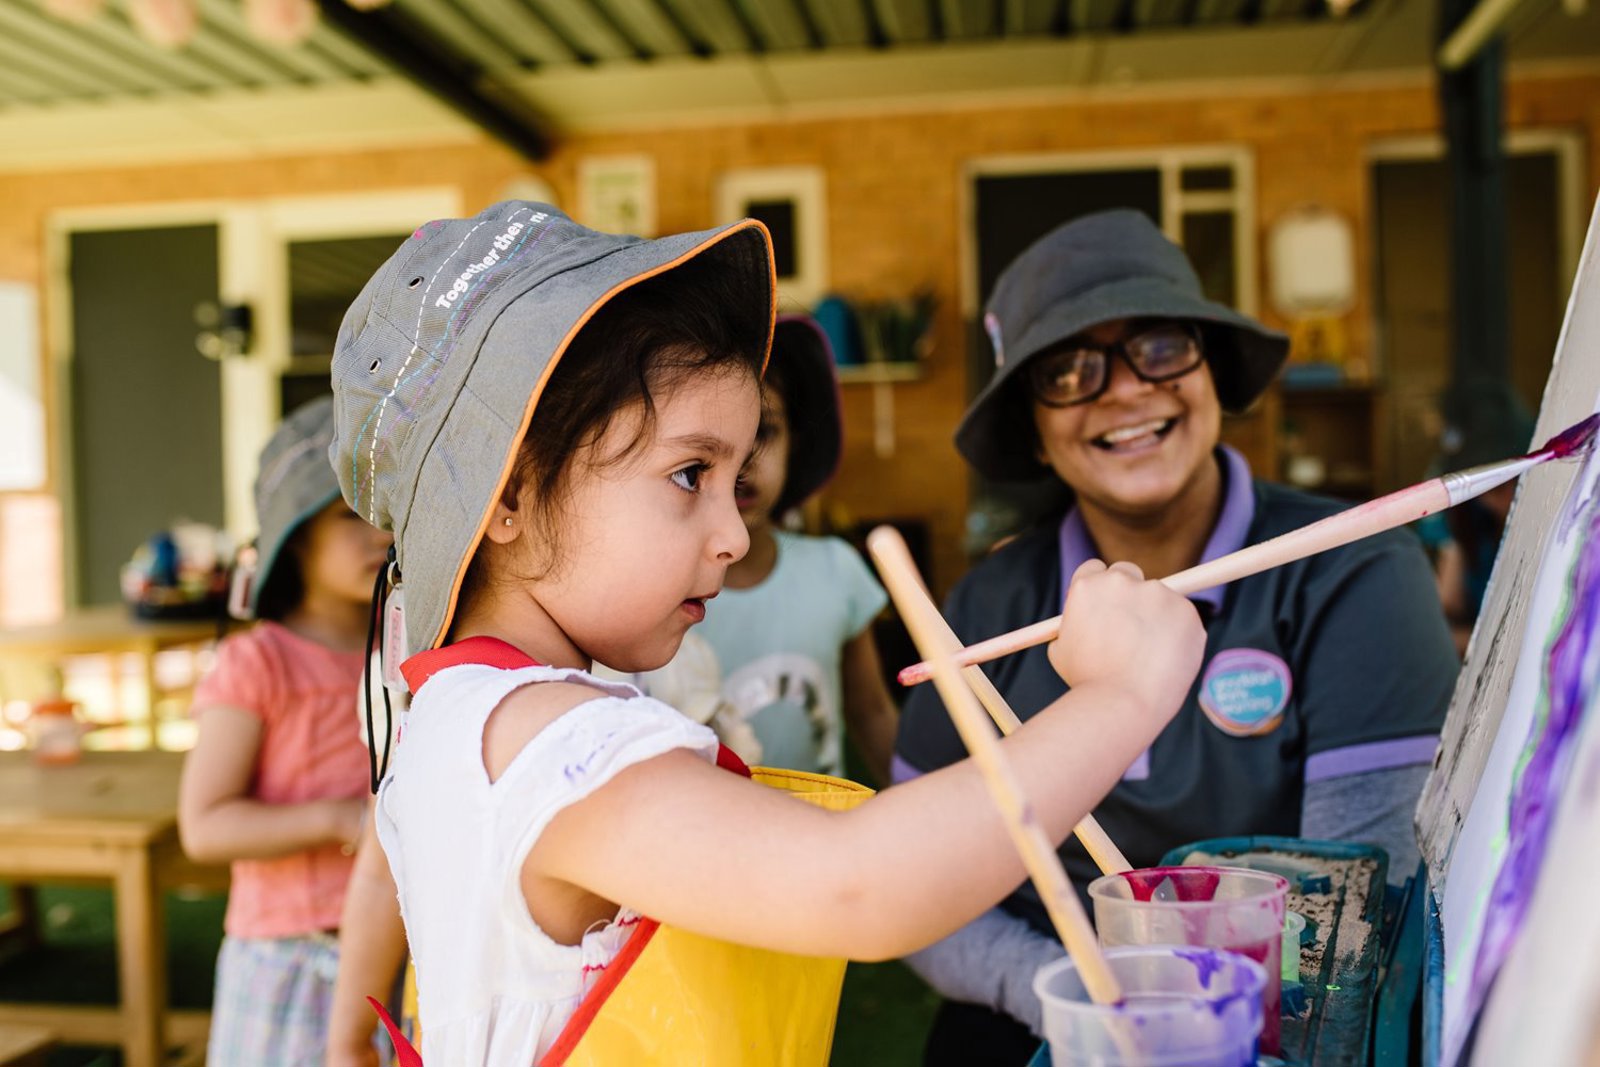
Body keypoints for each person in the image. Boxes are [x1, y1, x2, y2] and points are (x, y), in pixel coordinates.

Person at [325, 201, 1206, 1064]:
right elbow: (860, 883)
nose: (735, 533)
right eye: (689, 473)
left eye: (738, 474)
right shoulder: (539, 743)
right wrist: (1121, 696)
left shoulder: (454, 714)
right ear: (509, 496)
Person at [892, 209, 1460, 1063]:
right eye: (1069, 370)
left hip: (1294, 1027)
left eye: (1158, 346)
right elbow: (916, 888)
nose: (1124, 389)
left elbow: (1355, 912)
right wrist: (1077, 996)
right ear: (1036, 434)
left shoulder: (1357, 570)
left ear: (1211, 369)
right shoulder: (984, 610)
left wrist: (1195, 1019)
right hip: (1046, 1012)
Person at [178, 396, 394, 1065]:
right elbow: (205, 824)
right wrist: (337, 818)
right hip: (286, 959)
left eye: (385, 510)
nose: (378, 532)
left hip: (391, 952)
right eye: (347, 515)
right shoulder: (257, 663)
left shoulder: (404, 646)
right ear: (295, 535)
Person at [696, 314, 898, 782]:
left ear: (795, 444)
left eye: (761, 432)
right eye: (712, 441)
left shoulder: (836, 571)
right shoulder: (655, 591)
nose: (741, 462)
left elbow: (871, 714)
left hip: (827, 834)